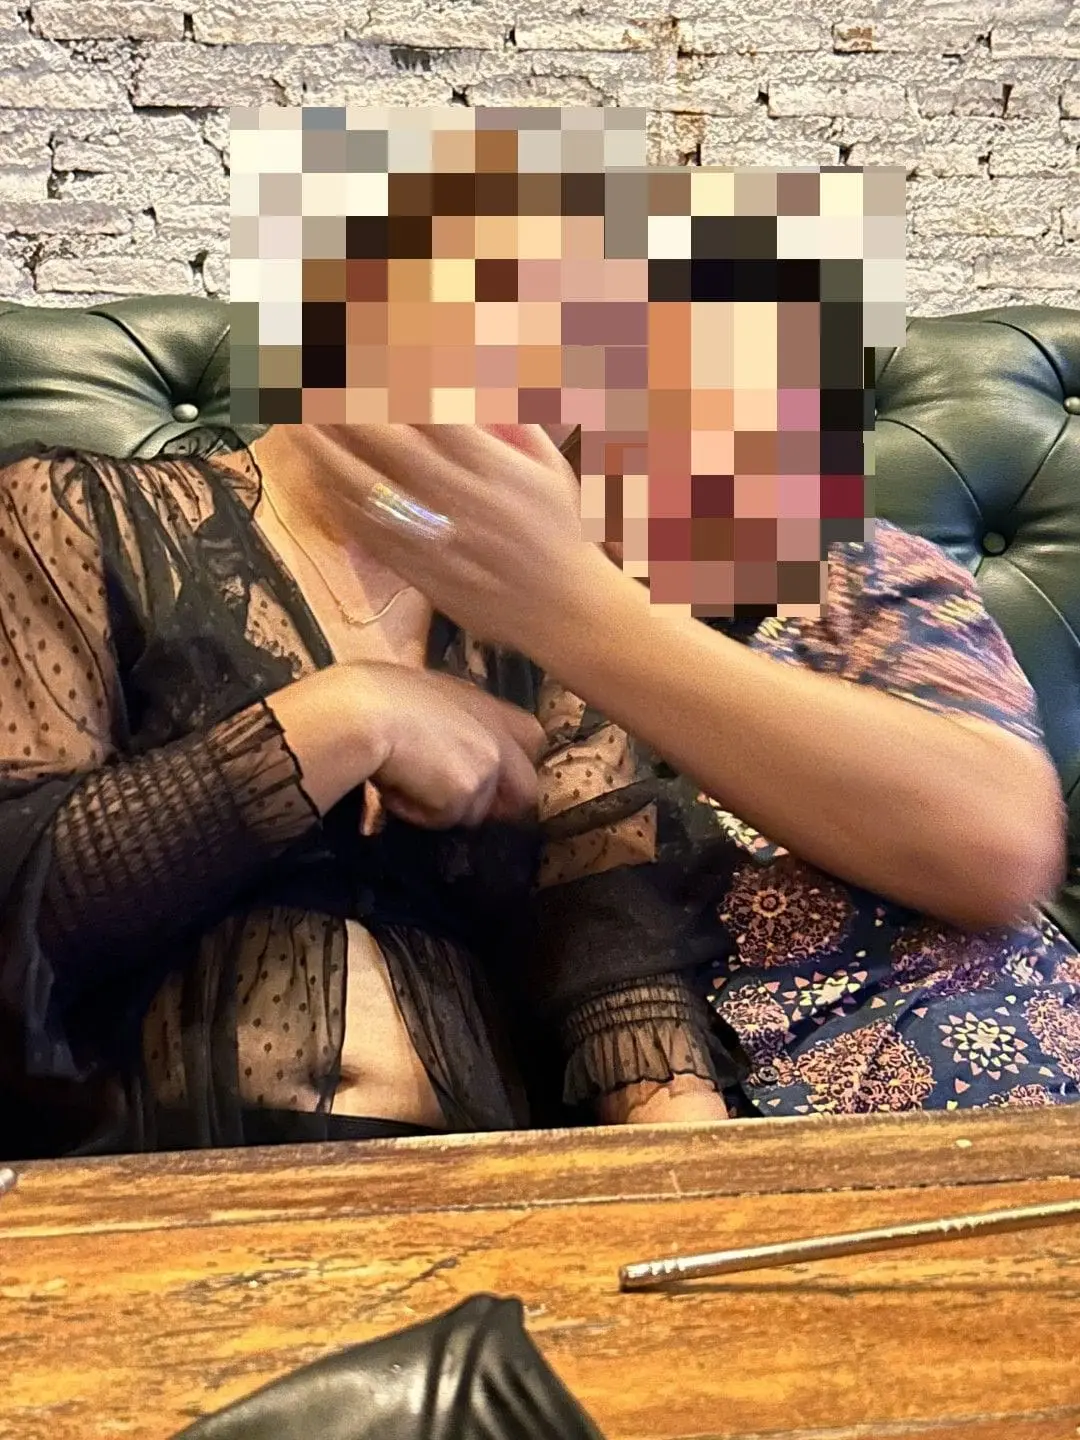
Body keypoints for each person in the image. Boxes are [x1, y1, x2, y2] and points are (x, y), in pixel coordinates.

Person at [284, 422, 1080, 1115]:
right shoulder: (438, 636)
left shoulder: (845, 569)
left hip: (1019, 1099)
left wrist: (574, 605)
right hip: (687, 1169)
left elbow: (999, 841)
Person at [0, 424, 743, 1161]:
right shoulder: (73, 510)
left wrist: (706, 1177)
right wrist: (349, 718)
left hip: (473, 1178)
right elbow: (23, 897)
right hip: (150, 1176)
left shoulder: (540, 627)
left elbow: (616, 966)